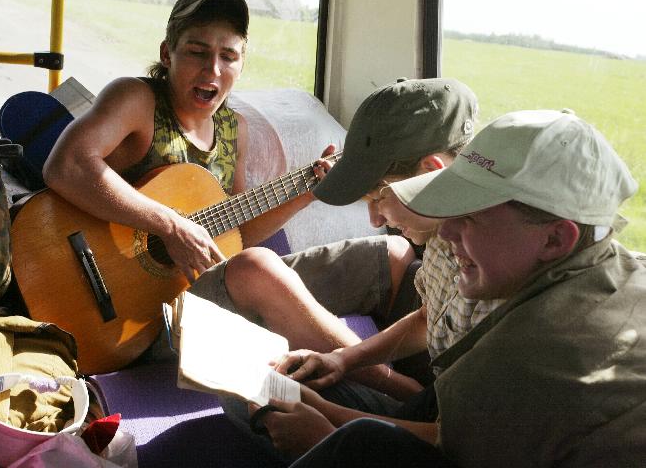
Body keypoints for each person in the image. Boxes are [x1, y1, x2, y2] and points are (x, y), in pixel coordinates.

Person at [274, 109, 646, 467]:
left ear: (555, 239)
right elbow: (429, 320)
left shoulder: (530, 355)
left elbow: (453, 448)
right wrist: (343, 359)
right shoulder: (606, 270)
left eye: (470, 217)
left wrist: (324, 431)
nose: (447, 230)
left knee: (354, 442)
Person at [191, 77, 479, 397]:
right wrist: (344, 359)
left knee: (261, 396)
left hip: (443, 416)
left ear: (430, 173)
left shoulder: (487, 273)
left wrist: (325, 415)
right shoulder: (439, 238)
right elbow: (427, 317)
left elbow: (449, 424)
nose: (375, 220)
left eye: (380, 197)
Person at [43, 0, 326, 283]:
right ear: (167, 54)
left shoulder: (234, 130)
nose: (213, 69)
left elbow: (234, 233)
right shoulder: (138, 101)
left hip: (157, 294)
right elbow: (67, 165)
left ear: (242, 65)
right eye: (197, 52)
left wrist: (308, 193)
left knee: (264, 265)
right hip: (77, 268)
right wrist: (171, 226)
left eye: (228, 57)